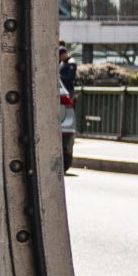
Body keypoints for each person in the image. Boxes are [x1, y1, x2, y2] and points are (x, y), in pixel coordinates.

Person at [57, 41, 78, 178]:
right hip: (63, 95)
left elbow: (69, 77)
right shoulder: (62, 63)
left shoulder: (71, 62)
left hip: (67, 93)